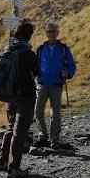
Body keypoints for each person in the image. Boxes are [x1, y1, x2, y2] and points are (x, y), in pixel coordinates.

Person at [0, 19, 39, 178]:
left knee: (10, 127)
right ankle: (14, 168)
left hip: (10, 95)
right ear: (29, 36)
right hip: (26, 96)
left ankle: (3, 162)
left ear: (16, 34)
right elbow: (36, 72)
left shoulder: (8, 49)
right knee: (20, 131)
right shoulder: (28, 53)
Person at [34, 20, 76, 150]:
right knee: (38, 111)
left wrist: (67, 73)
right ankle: (43, 136)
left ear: (57, 33)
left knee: (55, 113)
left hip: (56, 85)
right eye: (49, 31)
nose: (51, 34)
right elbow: (35, 66)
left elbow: (71, 65)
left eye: (53, 31)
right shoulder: (40, 49)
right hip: (42, 84)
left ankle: (54, 139)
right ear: (46, 33)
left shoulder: (64, 49)